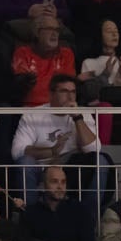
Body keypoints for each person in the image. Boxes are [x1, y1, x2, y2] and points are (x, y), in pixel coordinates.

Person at [11, 74, 111, 215]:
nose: (70, 97)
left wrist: (77, 118)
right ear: (51, 94)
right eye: (64, 91)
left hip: (70, 167)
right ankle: (31, 217)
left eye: (73, 92)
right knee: (25, 163)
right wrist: (51, 151)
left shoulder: (82, 114)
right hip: (42, 166)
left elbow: (94, 149)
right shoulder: (33, 114)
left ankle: (90, 218)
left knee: (100, 160)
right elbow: (18, 151)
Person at [22, 165, 107, 241]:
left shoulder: (79, 209)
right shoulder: (31, 212)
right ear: (43, 185)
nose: (60, 187)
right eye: (54, 182)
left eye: (63, 182)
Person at [12, 16, 75, 105]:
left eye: (57, 30)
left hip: (59, 107)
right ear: (37, 32)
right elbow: (26, 89)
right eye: (49, 29)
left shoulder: (66, 53)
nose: (54, 34)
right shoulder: (23, 52)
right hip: (32, 108)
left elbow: (67, 87)